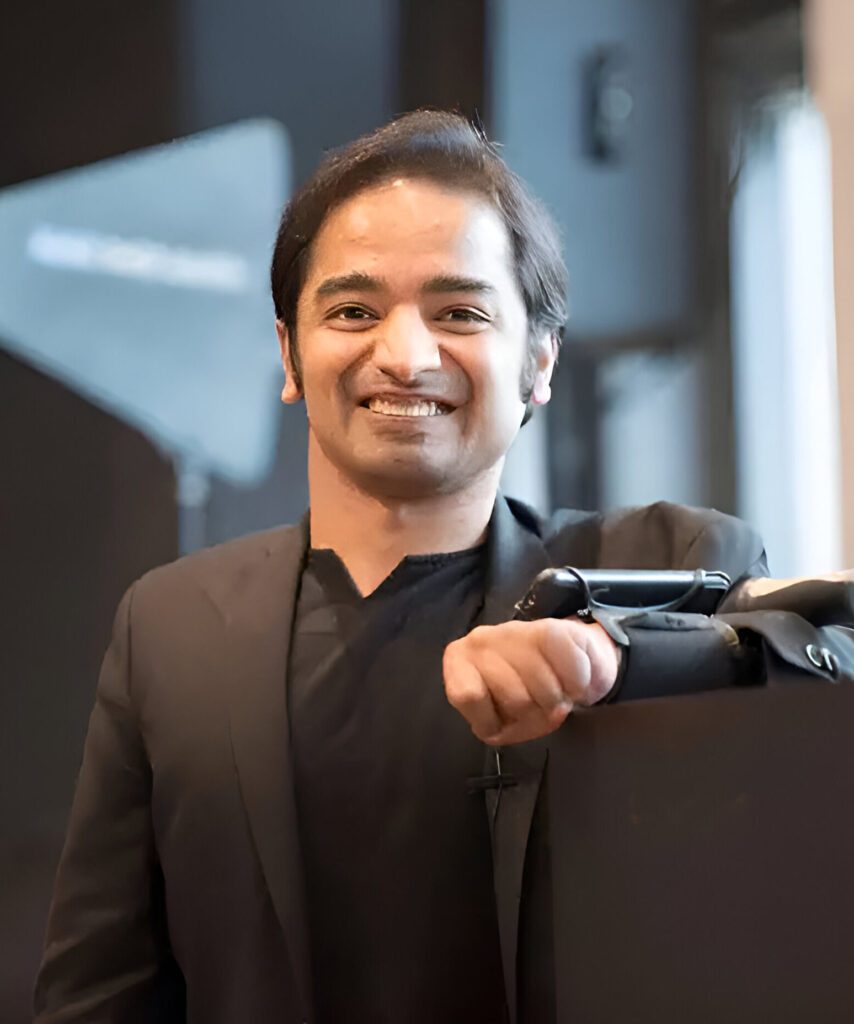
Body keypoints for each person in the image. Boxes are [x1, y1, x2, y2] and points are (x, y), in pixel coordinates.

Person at [34, 110, 854, 1024]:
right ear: (290, 354)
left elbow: (825, 677)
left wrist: (626, 664)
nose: (406, 355)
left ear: (537, 361)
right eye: (353, 311)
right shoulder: (171, 627)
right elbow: (98, 993)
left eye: (459, 312)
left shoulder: (669, 563)